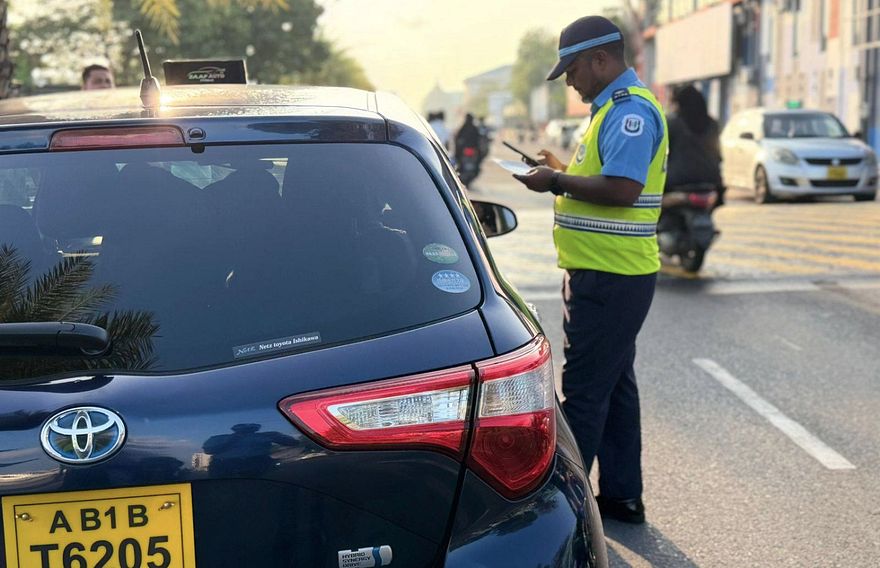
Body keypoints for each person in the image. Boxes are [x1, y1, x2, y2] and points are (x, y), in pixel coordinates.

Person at [513, 15, 668, 525]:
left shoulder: (629, 112)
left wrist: (556, 181)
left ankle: (563, 515)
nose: (571, 83)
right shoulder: (611, 111)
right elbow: (605, 179)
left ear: (601, 59)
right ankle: (622, 497)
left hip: (610, 276)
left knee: (583, 394)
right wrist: (562, 170)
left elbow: (622, 189)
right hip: (610, 272)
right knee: (615, 387)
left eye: (574, 70)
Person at [664, 85, 723, 206]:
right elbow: (717, 155)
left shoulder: (673, 124)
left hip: (678, 182)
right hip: (710, 181)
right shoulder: (712, 124)